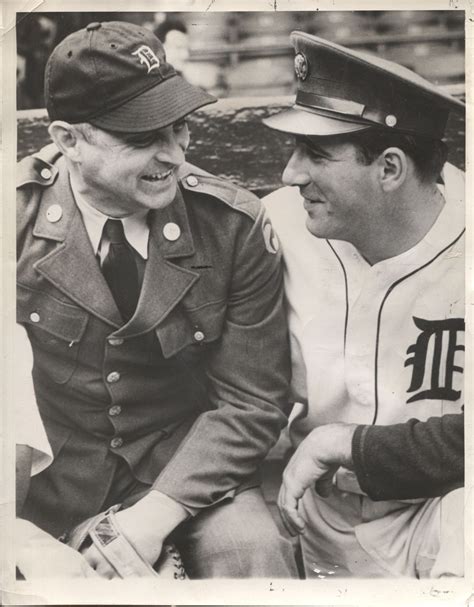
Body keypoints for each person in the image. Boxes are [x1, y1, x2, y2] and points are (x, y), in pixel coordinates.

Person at [16, 20, 297, 579]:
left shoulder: (229, 225)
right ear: (69, 140)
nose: (174, 154)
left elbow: (253, 401)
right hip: (48, 486)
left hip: (189, 476)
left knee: (253, 559)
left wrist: (151, 520)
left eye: (180, 127)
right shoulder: (14, 222)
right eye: (143, 137)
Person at [263, 32, 465, 578]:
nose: (291, 174)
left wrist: (346, 444)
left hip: (438, 511)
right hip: (302, 507)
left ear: (391, 169)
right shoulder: (274, 224)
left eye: (317, 154)